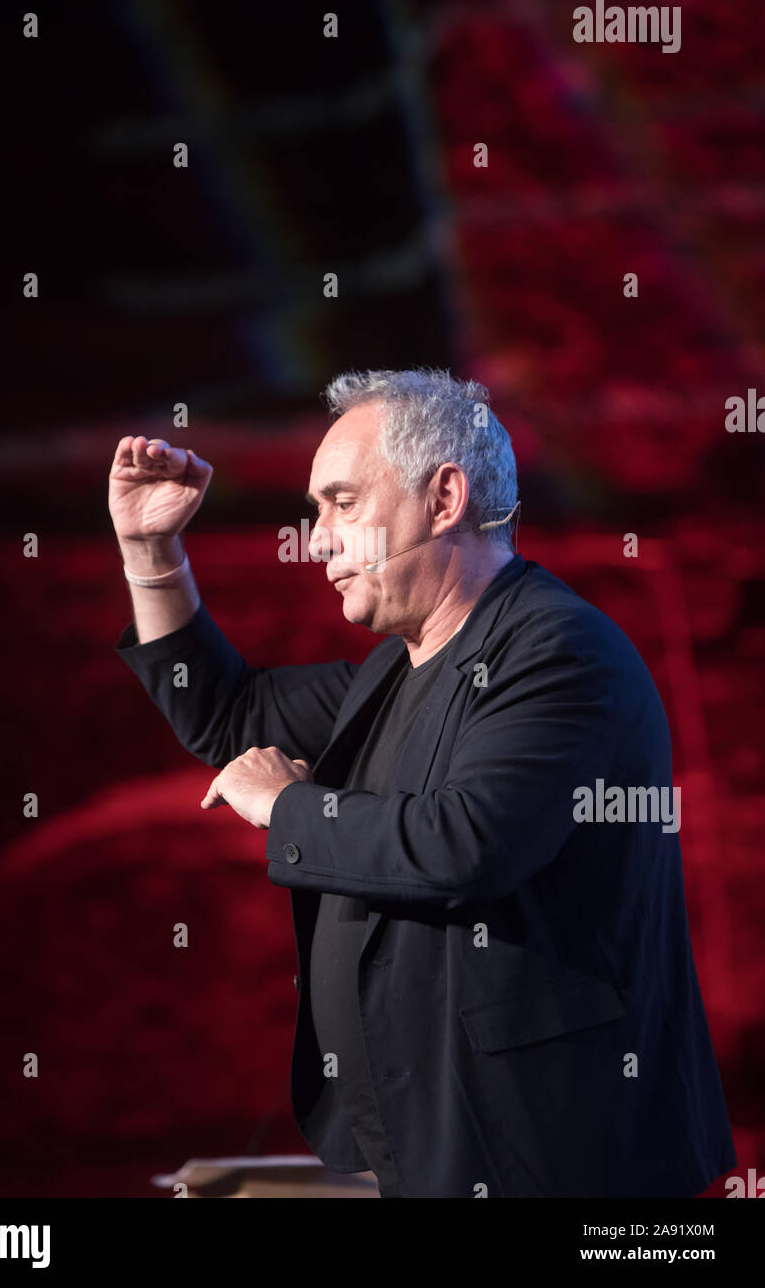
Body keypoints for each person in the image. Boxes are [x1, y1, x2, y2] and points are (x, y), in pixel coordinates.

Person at [109, 368, 736, 1198]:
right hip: (444, 1155)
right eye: (316, 511)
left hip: (558, 1165)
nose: (319, 539)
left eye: (342, 502)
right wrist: (151, 553)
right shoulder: (392, 672)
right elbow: (228, 714)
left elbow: (466, 844)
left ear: (444, 499)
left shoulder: (561, 652)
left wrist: (284, 806)